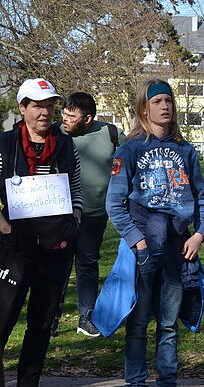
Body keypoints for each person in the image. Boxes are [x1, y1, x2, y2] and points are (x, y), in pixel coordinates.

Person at [105, 79, 204, 387]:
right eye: (157, 102)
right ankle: (137, 380)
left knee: (168, 324)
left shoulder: (186, 151)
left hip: (178, 247)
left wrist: (199, 234)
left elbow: (201, 198)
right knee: (138, 322)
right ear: (144, 108)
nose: (164, 106)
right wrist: (134, 238)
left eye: (168, 101)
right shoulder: (129, 150)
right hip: (143, 247)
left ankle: (168, 380)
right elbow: (114, 203)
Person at [0, 78, 83, 387]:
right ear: (23, 109)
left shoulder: (65, 144)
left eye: (49, 106)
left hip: (56, 246)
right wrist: (4, 226)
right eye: (37, 106)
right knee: (3, 318)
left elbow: (76, 187)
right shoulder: (5, 144)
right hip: (13, 246)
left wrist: (75, 218)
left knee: (41, 323)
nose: (45, 113)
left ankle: (28, 383)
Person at [61, 91, 125, 338]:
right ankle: (50, 317)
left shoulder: (111, 134)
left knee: (87, 264)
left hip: (95, 214)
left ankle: (86, 316)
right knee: (59, 265)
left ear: (87, 119)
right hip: (61, 215)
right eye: (64, 114)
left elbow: (128, 164)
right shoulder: (57, 134)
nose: (65, 120)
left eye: (71, 116)